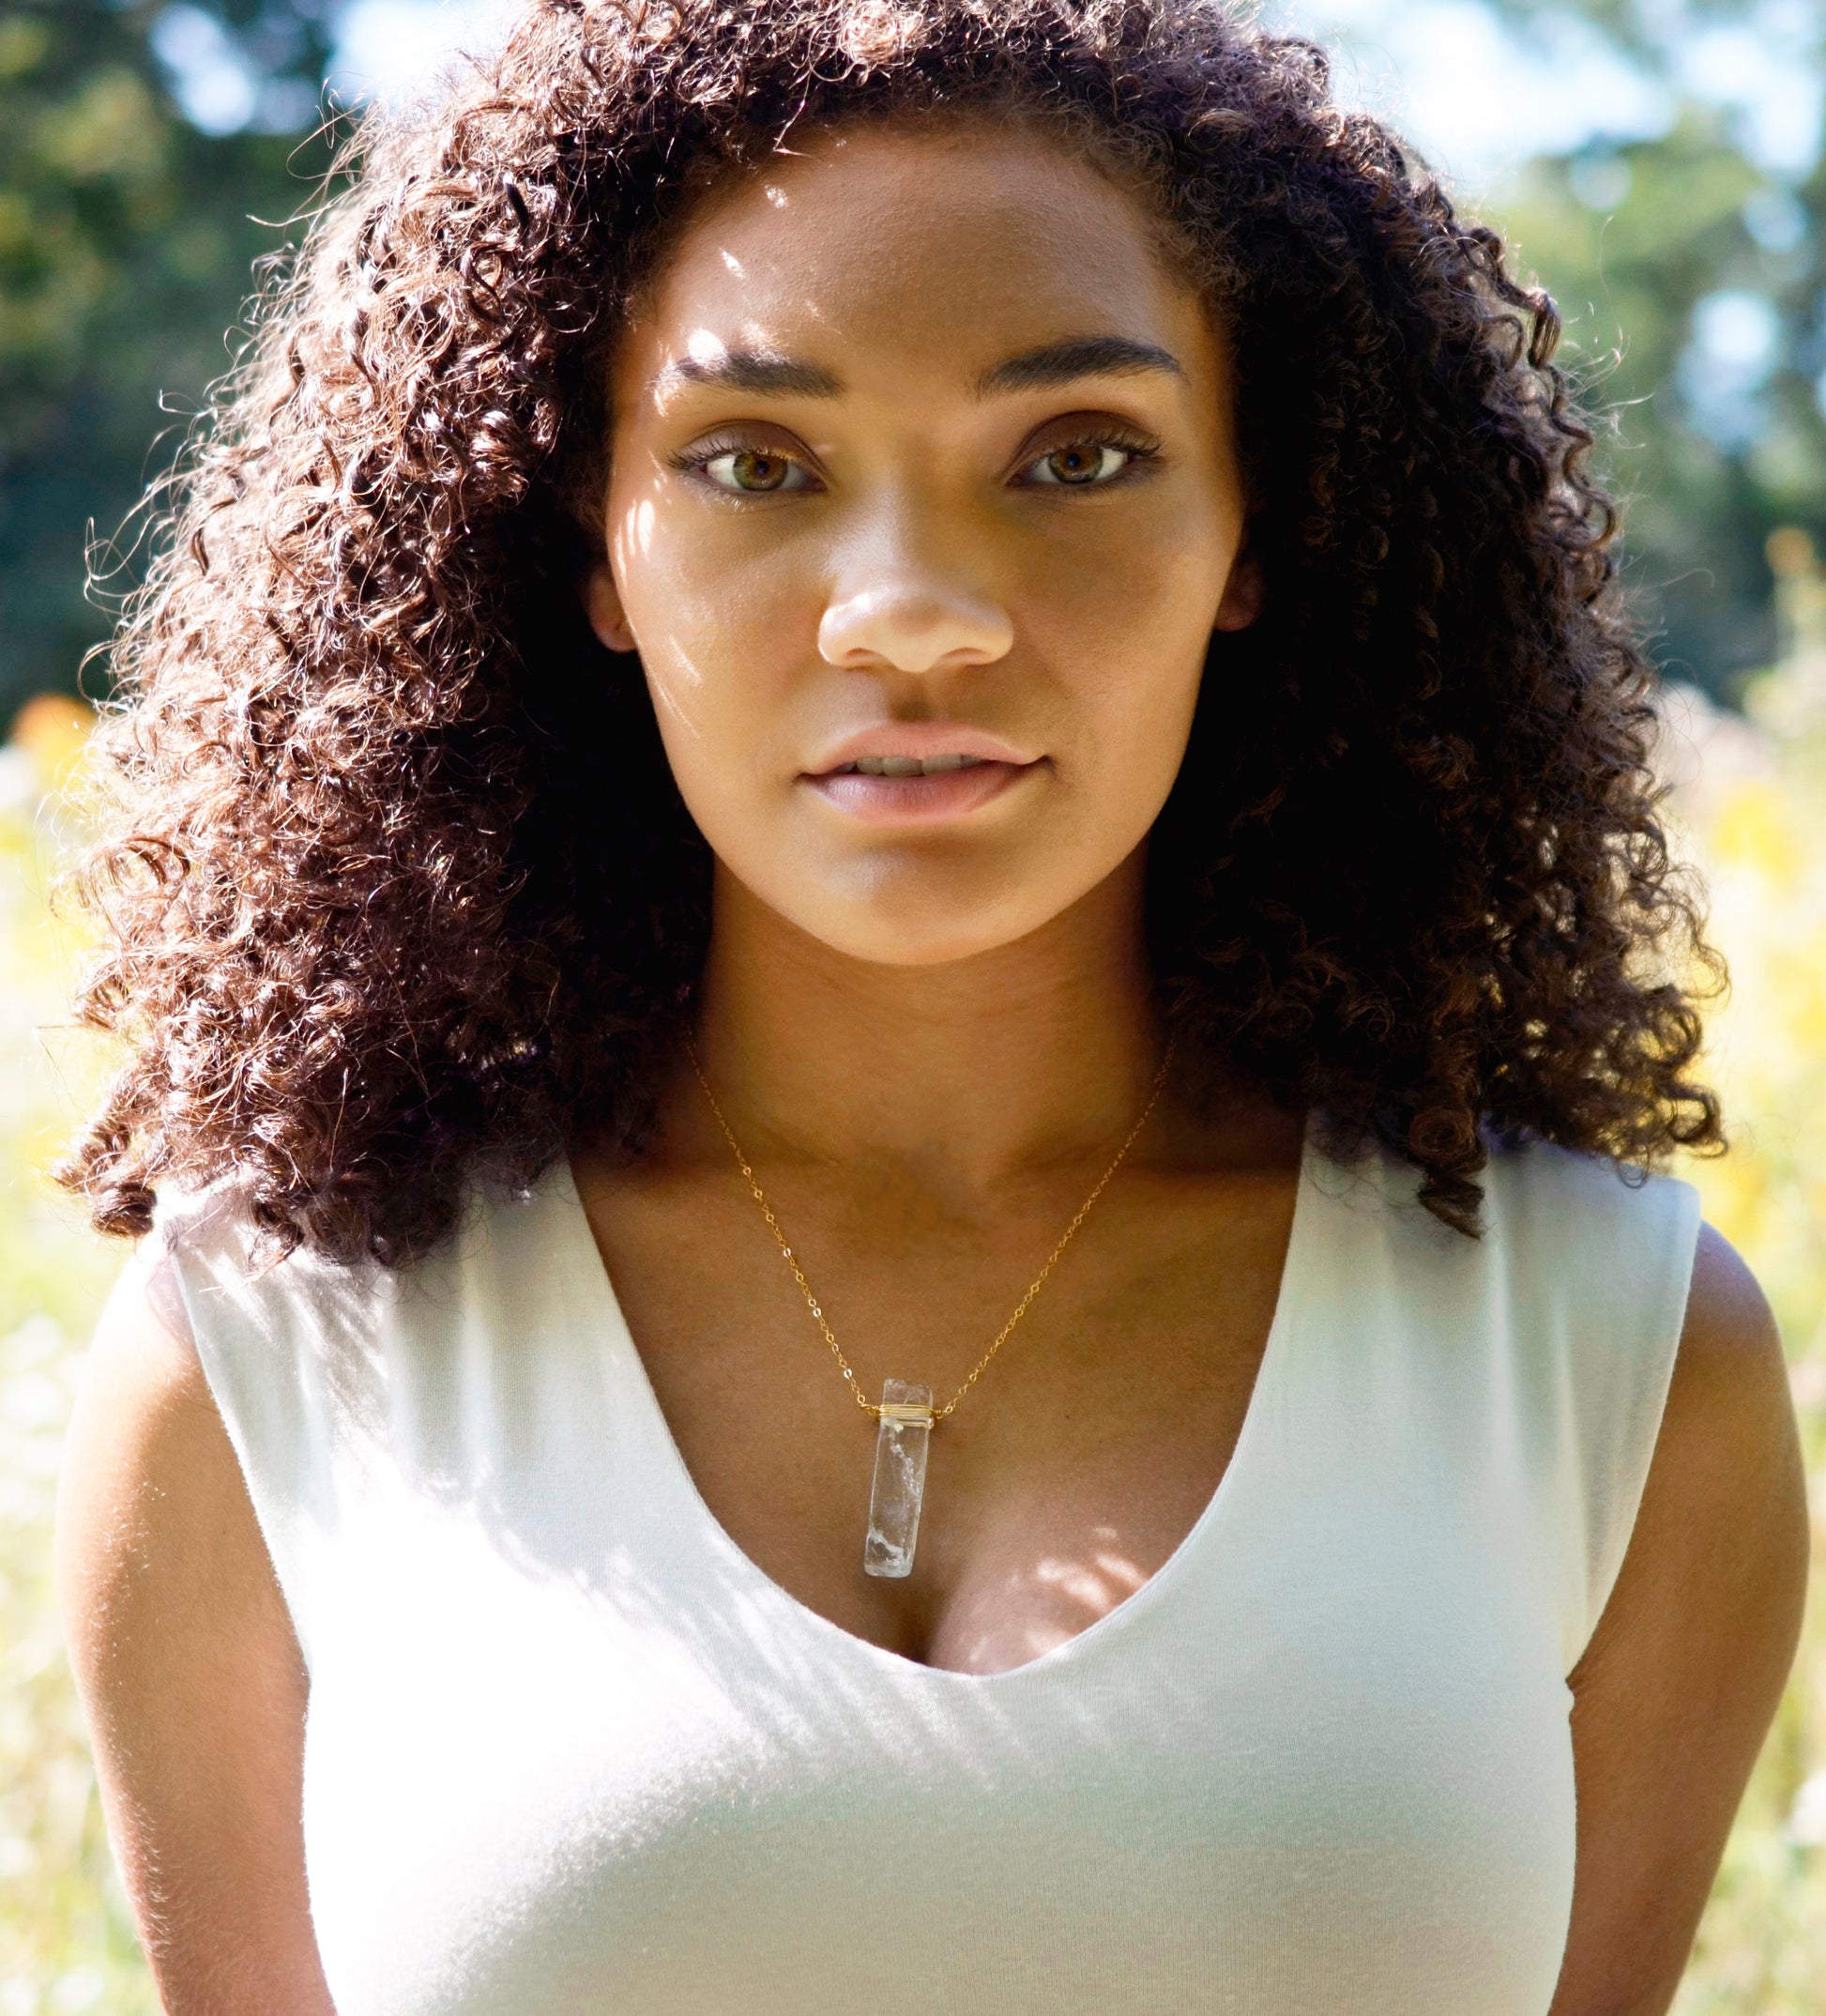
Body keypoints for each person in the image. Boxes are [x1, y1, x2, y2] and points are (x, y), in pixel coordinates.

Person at [51, 0, 1808, 2009]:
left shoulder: (1614, 1354)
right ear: (588, 544)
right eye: (754, 462)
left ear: (1259, 523)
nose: (916, 609)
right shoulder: (265, 1345)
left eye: (1076, 456)